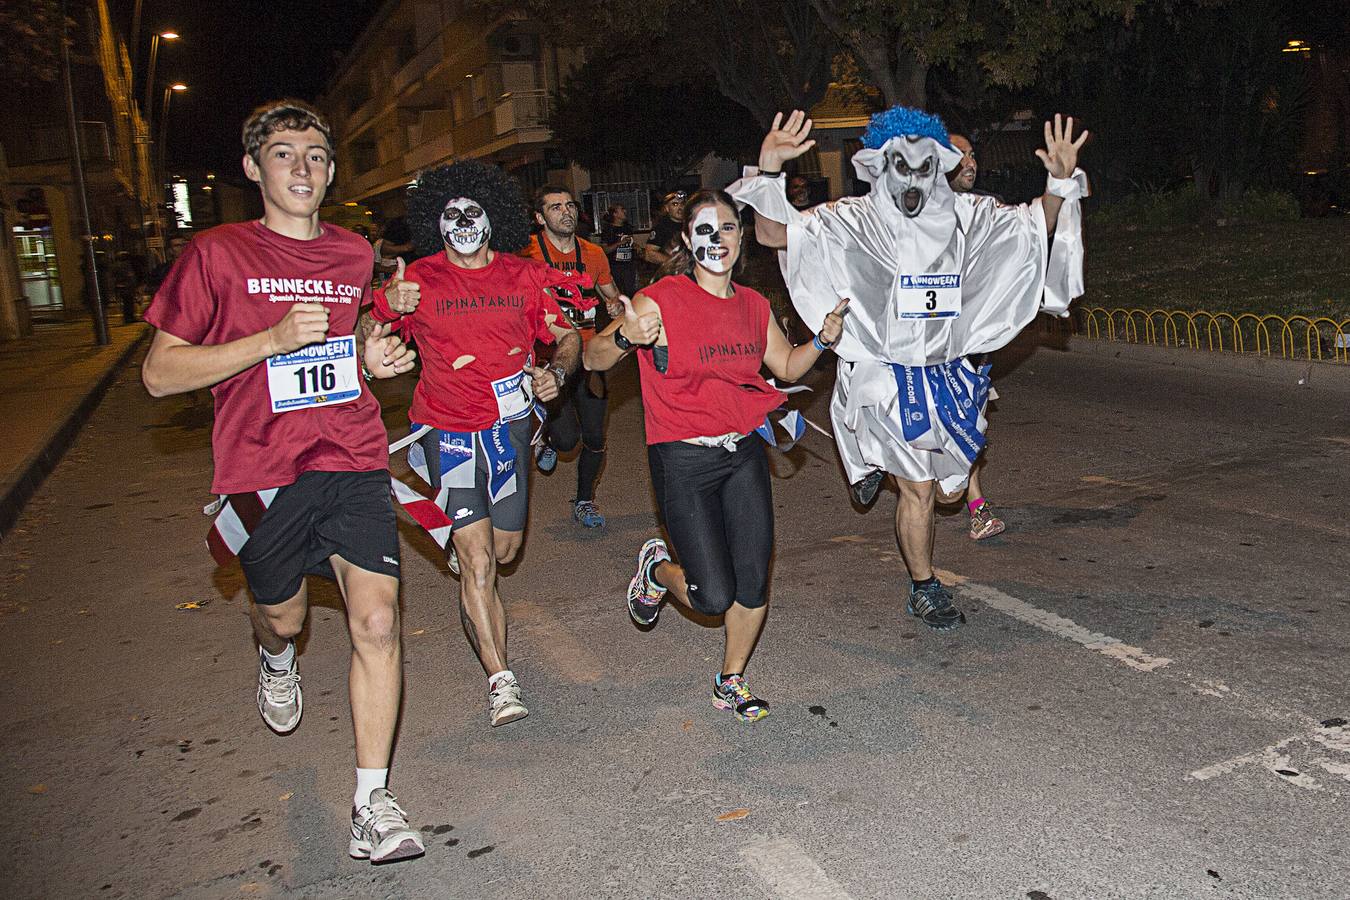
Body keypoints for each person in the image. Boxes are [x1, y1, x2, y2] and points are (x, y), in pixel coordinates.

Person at [140, 100, 424, 864]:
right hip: (260, 472)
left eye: (317, 155)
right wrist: (266, 340)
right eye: (285, 154)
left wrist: (376, 352)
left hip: (353, 454)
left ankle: (372, 804)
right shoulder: (216, 254)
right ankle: (273, 656)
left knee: (377, 622)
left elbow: (354, 339)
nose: (303, 168)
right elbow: (160, 374)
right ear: (253, 167)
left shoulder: (353, 254)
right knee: (287, 619)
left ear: (332, 171)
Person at [733, 107, 1088, 631]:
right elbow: (772, 234)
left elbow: (1033, 224)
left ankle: (864, 459)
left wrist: (1059, 181)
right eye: (902, 164)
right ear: (880, 166)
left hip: (949, 372)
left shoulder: (969, 216)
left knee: (948, 491)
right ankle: (924, 585)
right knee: (920, 488)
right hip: (884, 375)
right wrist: (768, 170)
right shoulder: (850, 219)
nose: (914, 177)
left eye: (926, 166)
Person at [584, 189, 847, 721]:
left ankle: (731, 679)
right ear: (686, 238)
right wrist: (627, 338)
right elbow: (592, 356)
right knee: (710, 595)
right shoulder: (662, 298)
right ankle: (658, 572)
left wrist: (822, 339)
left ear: (740, 237)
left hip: (743, 453)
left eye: (728, 227)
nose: (718, 238)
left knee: (752, 580)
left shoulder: (753, 305)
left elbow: (788, 369)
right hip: (682, 459)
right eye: (705, 228)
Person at [369, 161, 580, 727]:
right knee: (478, 559)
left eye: (473, 212)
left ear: (495, 218)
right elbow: (369, 336)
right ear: (435, 223)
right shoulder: (417, 281)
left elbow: (566, 335)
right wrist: (387, 309)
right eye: (450, 215)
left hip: (509, 432)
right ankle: (500, 679)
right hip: (448, 431)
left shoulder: (522, 276)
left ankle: (474, 580)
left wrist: (557, 373)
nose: (462, 223)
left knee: (504, 552)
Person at [518, 185, 624, 528]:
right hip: (551, 357)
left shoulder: (593, 253)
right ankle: (547, 436)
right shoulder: (525, 253)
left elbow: (613, 295)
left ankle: (585, 501)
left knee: (594, 437)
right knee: (567, 441)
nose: (566, 212)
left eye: (569, 205)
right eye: (555, 207)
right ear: (539, 217)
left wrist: (615, 305)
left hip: (589, 354)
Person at [947, 133, 1005, 541]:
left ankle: (977, 506)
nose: (970, 162)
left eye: (972, 155)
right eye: (959, 156)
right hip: (918, 347)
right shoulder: (905, 213)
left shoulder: (984, 208)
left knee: (973, 424)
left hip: (969, 342)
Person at [599, 203, 638, 297]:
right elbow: (605, 250)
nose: (625, 211)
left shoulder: (628, 228)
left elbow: (631, 244)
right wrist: (620, 243)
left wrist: (636, 246)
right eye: (622, 209)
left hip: (629, 265)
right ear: (615, 214)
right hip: (615, 266)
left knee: (631, 292)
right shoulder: (608, 230)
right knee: (617, 293)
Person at [643, 190, 687, 267]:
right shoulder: (662, 227)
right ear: (667, 208)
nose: (680, 207)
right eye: (675, 204)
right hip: (671, 275)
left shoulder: (691, 224)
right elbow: (649, 254)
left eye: (682, 204)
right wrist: (675, 262)